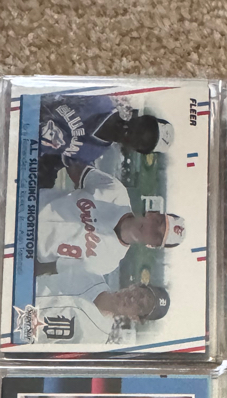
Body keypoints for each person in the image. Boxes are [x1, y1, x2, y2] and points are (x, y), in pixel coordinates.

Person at [36, 162, 185, 280]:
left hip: (31, 248)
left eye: (157, 236)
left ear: (151, 245)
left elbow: (52, 268)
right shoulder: (116, 191)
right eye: (158, 222)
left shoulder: (108, 263)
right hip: (32, 201)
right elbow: (73, 163)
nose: (150, 229)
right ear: (152, 214)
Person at [39, 93, 174, 186]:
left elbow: (52, 162)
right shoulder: (98, 101)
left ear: (136, 149)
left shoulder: (92, 153)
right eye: (143, 128)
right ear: (140, 118)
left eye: (142, 142)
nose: (136, 135)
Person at [31, 269, 170, 345]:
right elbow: (45, 264)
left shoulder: (95, 340)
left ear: (135, 317)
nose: (133, 298)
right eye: (140, 293)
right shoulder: (91, 273)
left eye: (140, 306)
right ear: (135, 285)